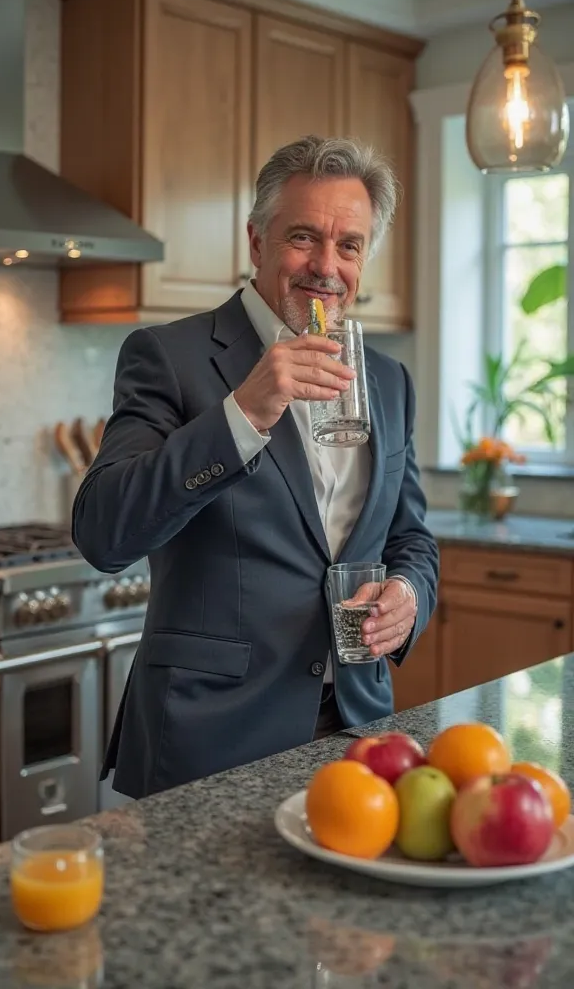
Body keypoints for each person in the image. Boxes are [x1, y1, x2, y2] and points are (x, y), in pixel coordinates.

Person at [72, 135, 439, 800]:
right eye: (304, 237)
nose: (326, 266)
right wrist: (243, 412)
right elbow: (103, 534)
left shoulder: (388, 382)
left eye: (349, 246)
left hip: (358, 730)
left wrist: (409, 597)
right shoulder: (168, 356)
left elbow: (411, 539)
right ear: (256, 242)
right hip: (211, 737)